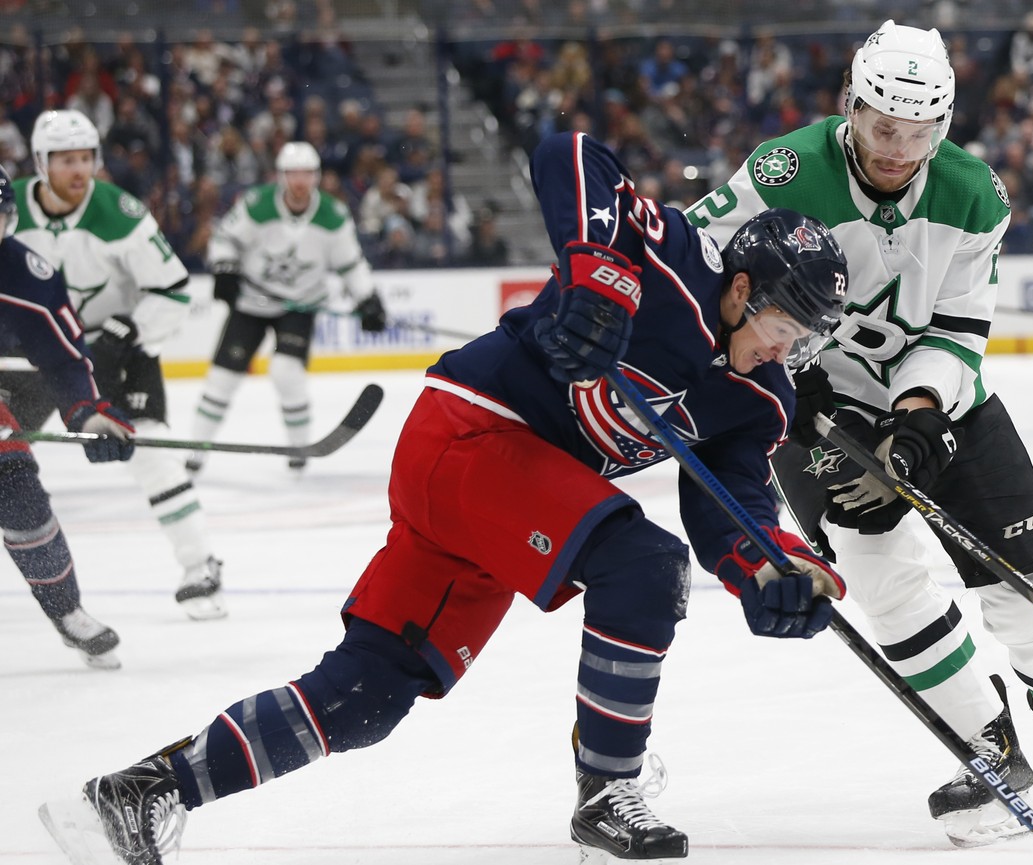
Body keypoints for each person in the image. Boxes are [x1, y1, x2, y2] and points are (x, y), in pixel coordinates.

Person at [38, 130, 850, 865]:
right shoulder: (671, 259)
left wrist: (774, 570)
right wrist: (600, 278)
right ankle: (608, 789)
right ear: (742, 288)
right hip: (472, 433)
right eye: (790, 325)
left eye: (811, 338)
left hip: (514, 501)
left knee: (370, 693)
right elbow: (568, 152)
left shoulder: (760, 397)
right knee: (640, 564)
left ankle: (141, 790)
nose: (793, 350)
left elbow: (731, 507)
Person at [686, 21, 1033, 849]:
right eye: (885, 128)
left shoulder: (973, 195)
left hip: (942, 402)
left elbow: (958, 330)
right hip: (804, 404)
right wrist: (792, 388)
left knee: (1029, 582)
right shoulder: (784, 170)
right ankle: (985, 744)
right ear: (854, 108)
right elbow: (698, 263)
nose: (899, 148)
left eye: (920, 133)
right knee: (883, 579)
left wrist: (918, 423)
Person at [1, 108, 227, 620]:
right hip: (35, 355)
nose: (77, 171)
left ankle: (201, 567)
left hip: (115, 353)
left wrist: (132, 329)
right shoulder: (9, 206)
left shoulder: (120, 214)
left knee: (147, 452)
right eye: (64, 161)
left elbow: (171, 290)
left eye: (85, 159)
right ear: (40, 162)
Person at [0, 162, 135, 669]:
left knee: (19, 494)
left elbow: (65, 359)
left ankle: (67, 610)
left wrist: (88, 413)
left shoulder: (28, 276)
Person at [184, 141, 387, 477]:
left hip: (300, 306)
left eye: (306, 173)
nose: (299, 181)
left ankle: (298, 450)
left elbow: (350, 264)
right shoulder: (256, 205)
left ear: (317, 177)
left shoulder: (332, 216)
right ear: (280, 176)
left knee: (286, 373)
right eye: (292, 173)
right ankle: (196, 450)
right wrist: (223, 267)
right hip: (251, 302)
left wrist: (368, 299)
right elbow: (225, 240)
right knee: (222, 378)